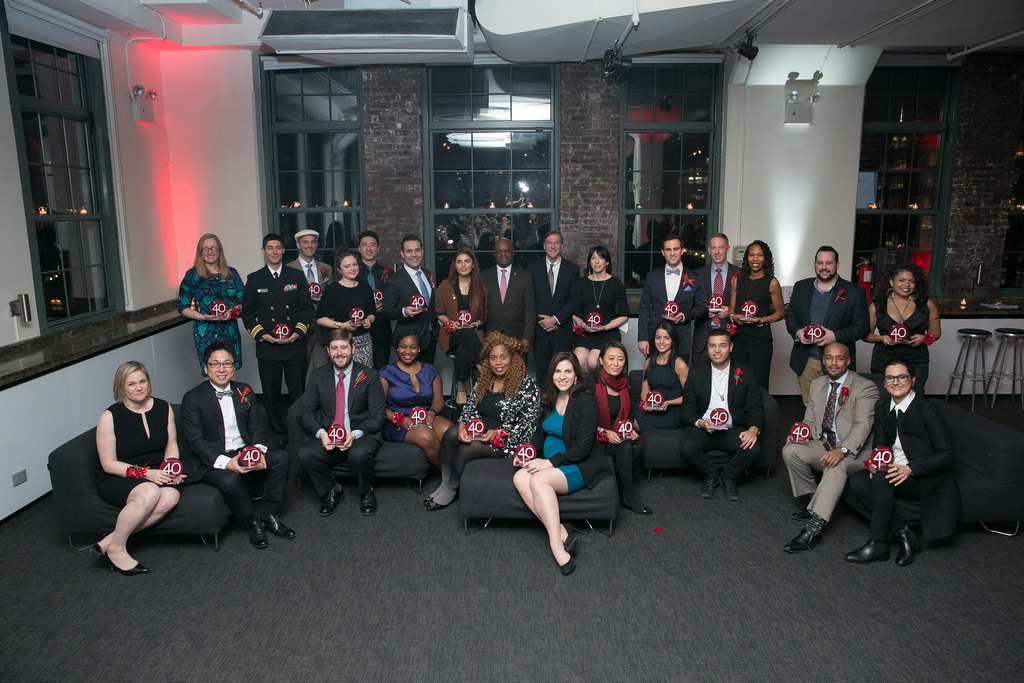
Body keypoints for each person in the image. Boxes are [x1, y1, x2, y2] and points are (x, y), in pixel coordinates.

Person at [844, 358, 959, 566]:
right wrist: (874, 463)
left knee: (881, 478)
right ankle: (904, 531)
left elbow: (948, 453)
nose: (895, 382)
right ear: (884, 382)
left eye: (901, 377)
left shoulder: (927, 409)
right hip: (893, 471)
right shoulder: (882, 407)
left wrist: (910, 468)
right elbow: (880, 446)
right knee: (855, 481)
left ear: (912, 380)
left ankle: (878, 543)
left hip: (923, 477)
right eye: (890, 378)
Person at [180, 341, 295, 549]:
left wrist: (257, 451)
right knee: (230, 479)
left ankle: (269, 514)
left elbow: (256, 427)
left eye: (227, 363)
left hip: (243, 450)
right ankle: (251, 521)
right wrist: (228, 463)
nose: (222, 369)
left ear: (234, 367)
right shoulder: (192, 398)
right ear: (206, 368)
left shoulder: (245, 391)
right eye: (215, 364)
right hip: (212, 457)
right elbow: (196, 442)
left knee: (281, 458)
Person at [514, 352, 611, 575]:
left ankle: (556, 544)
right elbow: (540, 434)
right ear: (551, 375)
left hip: (579, 463)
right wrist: (526, 454)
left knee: (538, 481)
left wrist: (549, 462)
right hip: (552, 462)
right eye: (558, 371)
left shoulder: (586, 401)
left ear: (576, 375)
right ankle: (560, 530)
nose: (562, 376)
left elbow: (584, 447)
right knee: (519, 477)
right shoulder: (549, 398)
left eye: (568, 371)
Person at [781, 342, 878, 553]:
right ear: (823, 360)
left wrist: (842, 450)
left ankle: (814, 528)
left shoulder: (865, 387)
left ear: (848, 360)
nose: (833, 363)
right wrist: (798, 433)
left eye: (839, 358)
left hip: (855, 450)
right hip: (824, 442)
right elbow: (809, 420)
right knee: (791, 450)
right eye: (828, 358)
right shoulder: (817, 384)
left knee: (836, 465)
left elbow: (863, 425)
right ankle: (813, 501)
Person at [425, 333, 539, 510]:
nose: (498, 362)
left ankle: (450, 489)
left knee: (467, 448)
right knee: (450, 433)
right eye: (493, 358)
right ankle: (445, 483)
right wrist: (462, 426)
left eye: (503, 357)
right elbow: (469, 409)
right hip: (481, 431)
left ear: (512, 358)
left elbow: (529, 424)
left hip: (507, 440)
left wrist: (499, 433)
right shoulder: (485, 381)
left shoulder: (527, 385)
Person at [92, 361, 184, 574]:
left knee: (171, 496)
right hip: (119, 475)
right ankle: (117, 549)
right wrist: (146, 474)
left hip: (155, 471)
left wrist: (171, 470)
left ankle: (109, 540)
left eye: (142, 381)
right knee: (150, 492)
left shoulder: (163, 407)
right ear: (121, 387)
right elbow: (108, 464)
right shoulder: (109, 416)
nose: (139, 387)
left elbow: (171, 446)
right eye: (131, 384)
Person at [294, 328, 386, 517]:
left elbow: (378, 416)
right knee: (305, 454)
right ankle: (332, 489)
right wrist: (322, 434)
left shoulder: (369, 376)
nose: (339, 353)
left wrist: (353, 435)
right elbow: (305, 412)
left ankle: (366, 491)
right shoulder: (318, 376)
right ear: (328, 351)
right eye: (334, 348)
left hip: (359, 433)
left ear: (352, 348)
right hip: (329, 434)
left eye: (344, 347)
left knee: (360, 454)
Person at [241, 233, 315, 435]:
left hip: (294, 345)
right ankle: (278, 432)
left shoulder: (296, 276)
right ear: (263, 251)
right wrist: (261, 334)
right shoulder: (255, 279)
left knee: (298, 392)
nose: (274, 252)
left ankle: (299, 431)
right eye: (270, 248)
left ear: (283, 250)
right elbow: (247, 313)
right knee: (271, 394)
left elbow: (307, 309)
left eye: (278, 248)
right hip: (268, 346)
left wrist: (298, 332)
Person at [679, 328, 764, 501]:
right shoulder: (696, 373)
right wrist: (702, 423)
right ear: (707, 348)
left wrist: (753, 430)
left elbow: (755, 408)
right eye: (712, 346)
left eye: (722, 346)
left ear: (730, 347)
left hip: (732, 429)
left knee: (753, 448)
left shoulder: (746, 373)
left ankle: (729, 477)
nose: (717, 350)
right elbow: (687, 410)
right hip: (705, 428)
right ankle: (710, 475)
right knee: (686, 446)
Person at [784, 246, 869, 405]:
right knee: (810, 407)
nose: (824, 267)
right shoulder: (801, 287)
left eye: (829, 263)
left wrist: (835, 336)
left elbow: (862, 327)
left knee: (838, 408)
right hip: (806, 361)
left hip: (837, 361)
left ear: (837, 265)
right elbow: (791, 315)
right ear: (814, 264)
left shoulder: (854, 292)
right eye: (820, 263)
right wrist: (797, 332)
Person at [379, 332, 453, 468]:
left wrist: (431, 412)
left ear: (419, 349)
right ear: (397, 348)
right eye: (403, 347)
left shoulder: (431, 370)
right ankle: (448, 473)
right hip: (397, 422)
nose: (407, 351)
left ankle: (461, 471)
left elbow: (438, 401)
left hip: (425, 416)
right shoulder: (386, 373)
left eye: (412, 347)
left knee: (451, 432)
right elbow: (379, 407)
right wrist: (398, 418)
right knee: (427, 436)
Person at [591, 341, 648, 515]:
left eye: (621, 359)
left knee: (635, 444)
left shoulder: (626, 384)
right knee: (626, 447)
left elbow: (628, 415)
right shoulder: (590, 383)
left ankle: (622, 487)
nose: (616, 363)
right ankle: (629, 495)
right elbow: (581, 420)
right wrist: (604, 432)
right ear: (601, 360)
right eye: (611, 358)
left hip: (617, 434)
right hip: (593, 435)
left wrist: (629, 430)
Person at [866, 262, 942, 393]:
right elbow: (866, 335)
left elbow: (936, 332)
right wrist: (881, 338)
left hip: (916, 360)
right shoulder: (877, 305)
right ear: (891, 282)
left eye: (911, 281)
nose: (906, 285)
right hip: (884, 359)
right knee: (883, 396)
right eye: (901, 280)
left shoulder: (926, 304)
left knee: (914, 395)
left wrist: (924, 338)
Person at [177, 233, 244, 372]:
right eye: (206, 249)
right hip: (205, 332)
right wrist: (201, 316)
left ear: (219, 251)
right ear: (200, 252)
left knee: (229, 370)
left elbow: (244, 303)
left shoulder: (231, 273)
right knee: (213, 371)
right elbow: (181, 306)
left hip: (229, 329)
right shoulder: (192, 276)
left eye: (213, 248)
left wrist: (232, 313)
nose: (210, 252)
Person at [637, 233, 708, 363]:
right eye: (668, 249)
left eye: (676, 249)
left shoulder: (695, 277)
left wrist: (685, 315)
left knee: (681, 374)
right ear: (663, 252)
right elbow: (643, 308)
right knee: (654, 373)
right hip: (655, 336)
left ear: (682, 250)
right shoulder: (652, 276)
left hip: (682, 337)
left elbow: (703, 308)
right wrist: (642, 338)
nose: (672, 253)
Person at [729, 240, 785, 391]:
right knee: (738, 382)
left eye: (760, 255)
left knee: (759, 383)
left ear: (766, 258)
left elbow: (780, 312)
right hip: (738, 339)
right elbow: (731, 311)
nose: (755, 259)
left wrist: (763, 320)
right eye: (751, 255)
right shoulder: (737, 281)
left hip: (761, 341)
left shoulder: (772, 282)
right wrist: (735, 318)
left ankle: (759, 408)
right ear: (746, 258)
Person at [436, 247, 487, 404]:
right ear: (455, 265)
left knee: (463, 350)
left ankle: (461, 390)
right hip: (452, 334)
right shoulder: (445, 286)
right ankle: (483, 370)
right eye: (459, 262)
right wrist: (451, 323)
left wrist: (475, 324)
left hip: (472, 335)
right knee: (465, 334)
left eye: (467, 261)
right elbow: (439, 312)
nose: (463, 265)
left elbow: (484, 317)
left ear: (473, 264)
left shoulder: (480, 288)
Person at [572, 245, 629, 375]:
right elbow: (575, 312)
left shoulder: (616, 284)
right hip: (586, 332)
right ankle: (587, 387)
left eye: (601, 258)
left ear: (607, 262)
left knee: (593, 361)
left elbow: (624, 315)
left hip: (607, 332)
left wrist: (605, 327)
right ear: (589, 262)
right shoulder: (581, 283)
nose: (597, 262)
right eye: (593, 258)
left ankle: (602, 387)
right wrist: (581, 324)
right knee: (578, 360)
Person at [528, 231, 578, 377]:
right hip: (540, 330)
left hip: (562, 331)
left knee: (563, 372)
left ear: (562, 246)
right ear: (544, 245)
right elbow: (529, 298)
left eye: (556, 243)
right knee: (542, 373)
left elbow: (573, 299)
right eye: (549, 242)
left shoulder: (572, 269)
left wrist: (555, 319)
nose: (553, 246)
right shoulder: (532, 267)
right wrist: (542, 321)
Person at [382, 235, 438, 365]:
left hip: (431, 336)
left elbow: (430, 306)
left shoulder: (427, 274)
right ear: (402, 253)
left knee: (428, 374)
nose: (414, 255)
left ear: (422, 251)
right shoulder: (395, 280)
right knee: (409, 376)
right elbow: (386, 311)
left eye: (417, 250)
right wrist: (404, 311)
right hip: (409, 340)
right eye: (409, 251)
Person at [316, 248, 376, 367]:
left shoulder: (366, 289)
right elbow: (320, 318)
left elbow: (372, 313)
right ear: (339, 269)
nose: (352, 268)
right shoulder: (332, 290)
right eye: (347, 266)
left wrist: (368, 320)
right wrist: (342, 325)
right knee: (342, 375)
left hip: (363, 342)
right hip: (341, 342)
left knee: (364, 375)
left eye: (354, 264)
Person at [287, 229, 333, 375]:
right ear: (298, 245)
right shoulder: (289, 269)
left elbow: (332, 295)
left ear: (316, 244)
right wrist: (307, 297)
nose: (309, 245)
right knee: (300, 371)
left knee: (322, 371)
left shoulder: (326, 268)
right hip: (299, 327)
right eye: (305, 242)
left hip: (322, 329)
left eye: (312, 242)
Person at [481, 238, 535, 360]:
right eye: (499, 251)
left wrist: (527, 337)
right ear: (494, 254)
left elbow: (530, 309)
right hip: (490, 335)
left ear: (513, 253)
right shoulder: (484, 276)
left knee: (517, 370)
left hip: (517, 337)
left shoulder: (525, 276)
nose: (503, 254)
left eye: (507, 251)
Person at [636, 323, 689, 432]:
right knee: (630, 421)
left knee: (636, 425)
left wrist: (669, 402)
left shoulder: (679, 364)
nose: (661, 342)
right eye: (658, 337)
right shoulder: (648, 362)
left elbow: (690, 396)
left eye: (666, 338)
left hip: (673, 412)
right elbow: (644, 392)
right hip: (652, 409)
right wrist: (646, 402)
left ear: (672, 340)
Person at [694, 232, 739, 357]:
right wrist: (704, 311)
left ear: (728, 249)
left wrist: (730, 312)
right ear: (709, 250)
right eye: (714, 247)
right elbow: (690, 306)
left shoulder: (740, 274)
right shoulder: (697, 275)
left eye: (721, 247)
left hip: (730, 336)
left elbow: (745, 304)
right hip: (703, 338)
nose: (717, 252)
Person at [356, 230, 394, 369]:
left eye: (372, 245)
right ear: (359, 248)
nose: (368, 248)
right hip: (359, 330)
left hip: (382, 330)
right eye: (364, 245)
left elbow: (394, 298)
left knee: (382, 370)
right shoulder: (353, 273)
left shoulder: (388, 273)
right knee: (360, 371)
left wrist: (386, 304)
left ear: (378, 248)